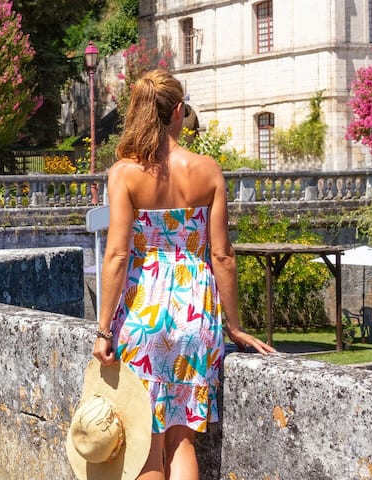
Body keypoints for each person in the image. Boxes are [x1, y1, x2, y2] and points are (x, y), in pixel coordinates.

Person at [90, 69, 276, 480]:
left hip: (142, 313)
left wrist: (104, 331)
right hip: (195, 313)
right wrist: (235, 325)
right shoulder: (207, 170)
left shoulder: (124, 173)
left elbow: (117, 254)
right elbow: (223, 255)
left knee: (145, 442)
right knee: (182, 440)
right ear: (177, 111)